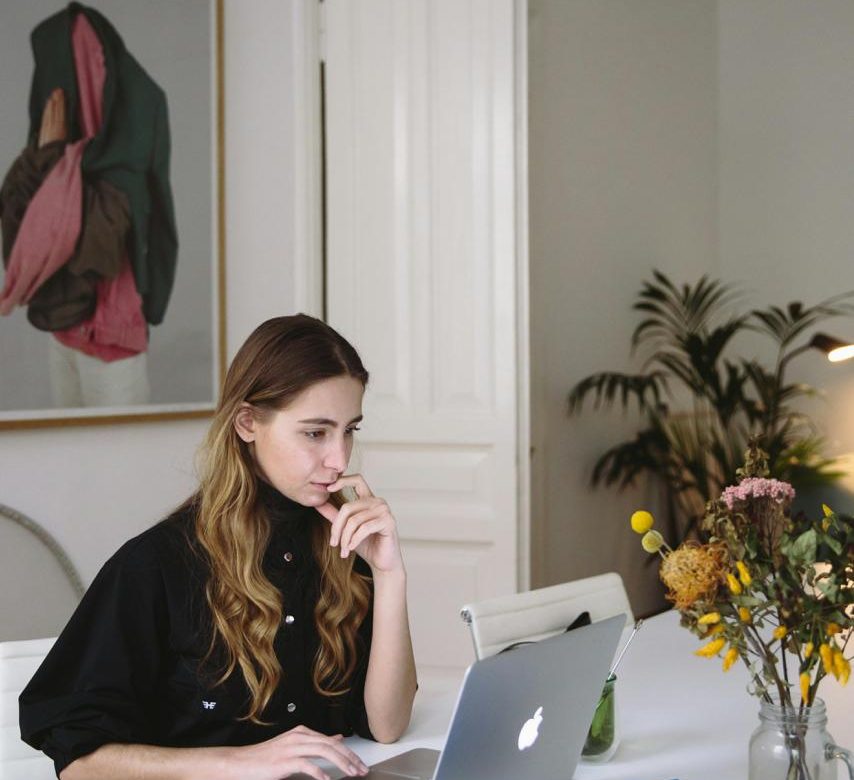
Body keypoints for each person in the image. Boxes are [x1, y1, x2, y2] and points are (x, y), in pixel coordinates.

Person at [19, 314, 418, 780]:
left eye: (350, 430)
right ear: (248, 422)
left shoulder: (342, 547)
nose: (339, 458)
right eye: (315, 432)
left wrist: (390, 576)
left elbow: (386, 726)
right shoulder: (156, 565)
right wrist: (239, 761)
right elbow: (79, 764)